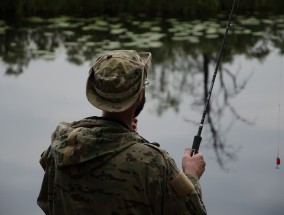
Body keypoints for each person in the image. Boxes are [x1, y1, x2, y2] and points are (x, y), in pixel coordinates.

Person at [37, 50, 207, 215]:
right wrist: (191, 175)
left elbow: (47, 204)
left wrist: (128, 139)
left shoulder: (59, 149)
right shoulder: (155, 163)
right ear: (140, 94)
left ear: (97, 94)